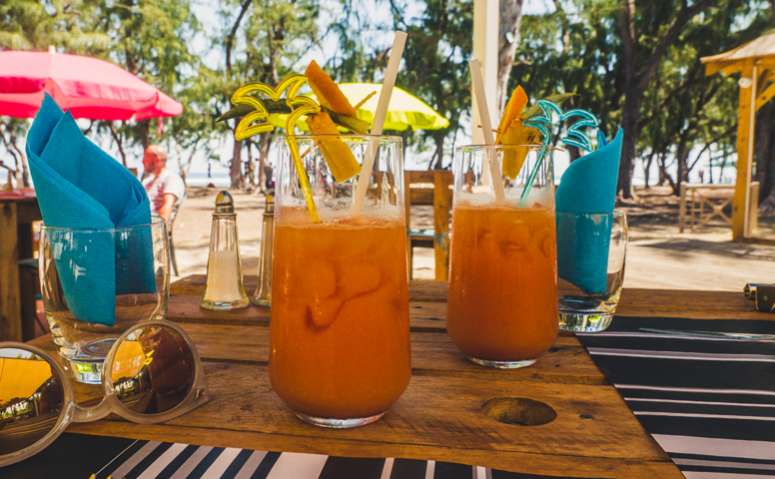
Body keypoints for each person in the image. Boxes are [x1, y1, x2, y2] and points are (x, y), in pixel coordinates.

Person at [141, 145, 185, 223]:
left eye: (145, 158)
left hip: (152, 225)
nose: (142, 161)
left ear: (156, 159)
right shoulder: (147, 180)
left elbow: (167, 206)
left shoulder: (171, 178)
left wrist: (157, 230)